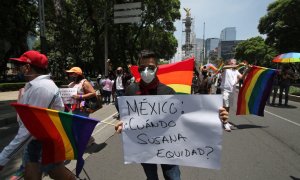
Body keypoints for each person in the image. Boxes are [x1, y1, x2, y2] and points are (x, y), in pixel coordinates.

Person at [115, 50, 229, 180]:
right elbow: (126, 116)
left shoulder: (168, 91)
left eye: (151, 67)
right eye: (143, 68)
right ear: (138, 69)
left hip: (169, 146)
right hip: (144, 147)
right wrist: (121, 123)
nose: (146, 71)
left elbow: (186, 115)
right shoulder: (131, 90)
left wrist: (215, 116)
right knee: (151, 178)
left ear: (157, 69)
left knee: (173, 177)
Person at [0, 50, 75, 179]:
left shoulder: (41, 88)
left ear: (28, 67)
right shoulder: (34, 86)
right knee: (36, 175)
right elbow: (25, 121)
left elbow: (29, 129)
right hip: (36, 142)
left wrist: (3, 158)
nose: (19, 69)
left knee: (57, 173)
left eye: (20, 66)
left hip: (45, 143)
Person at [220, 58, 247, 132]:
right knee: (225, 106)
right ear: (229, 63)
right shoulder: (226, 69)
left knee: (228, 107)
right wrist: (238, 65)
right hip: (225, 90)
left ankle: (225, 120)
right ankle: (225, 123)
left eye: (235, 62)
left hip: (232, 91)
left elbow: (242, 77)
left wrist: (247, 70)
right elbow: (223, 67)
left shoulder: (236, 71)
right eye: (233, 63)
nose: (234, 64)